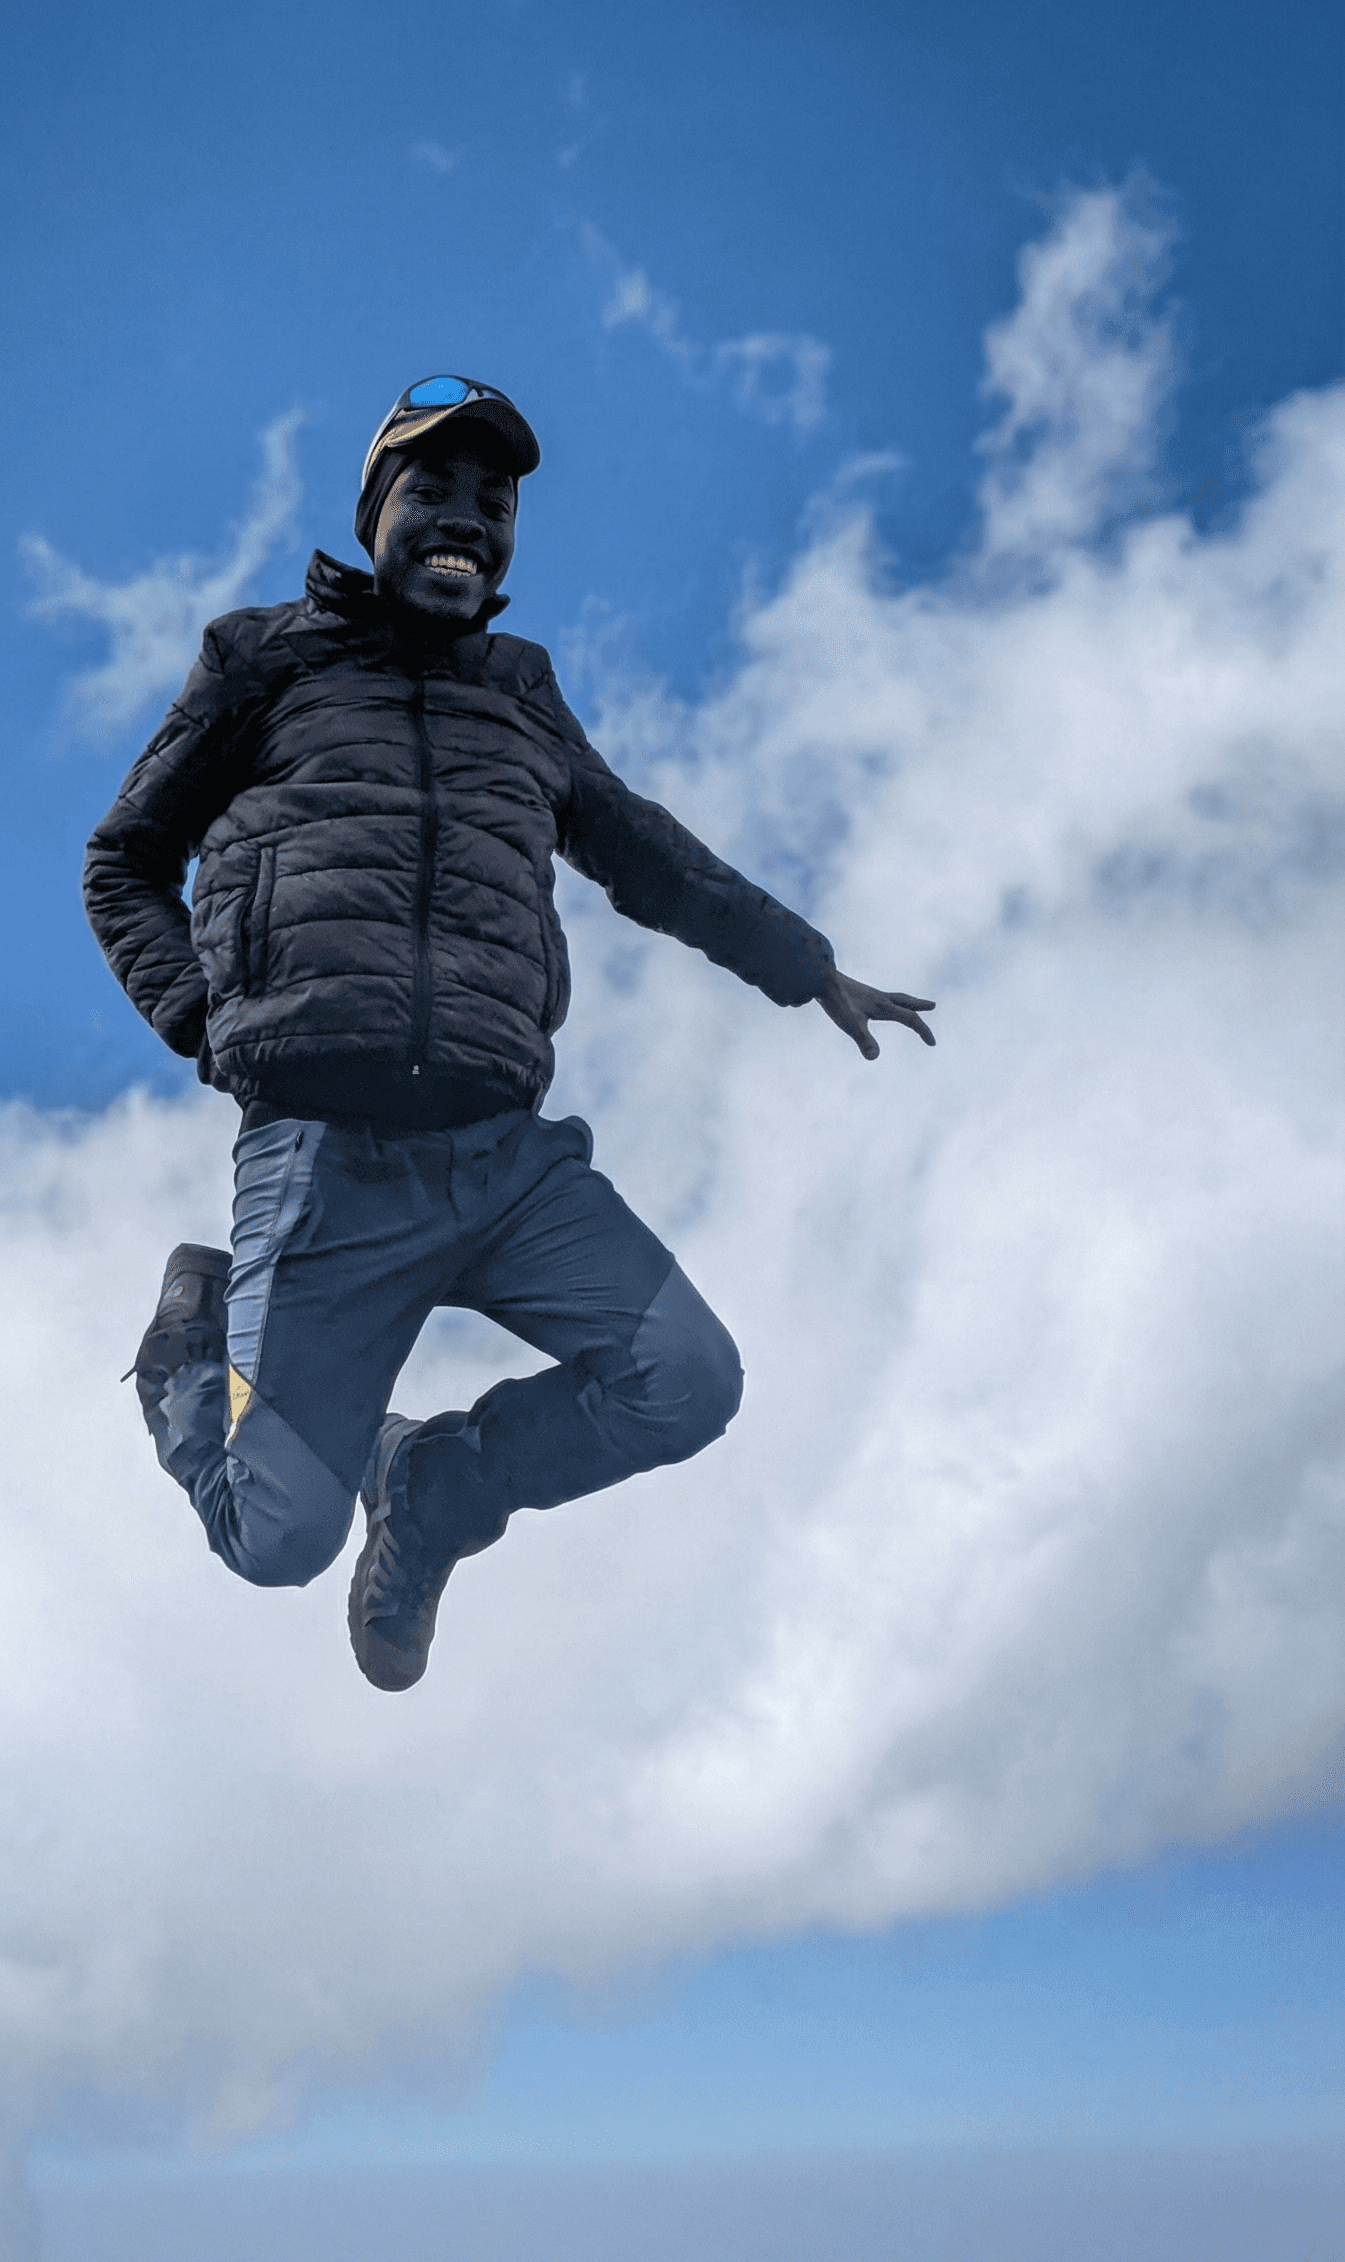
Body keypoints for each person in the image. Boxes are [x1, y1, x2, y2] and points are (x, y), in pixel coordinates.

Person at [84, 374, 935, 1691]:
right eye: (432, 492)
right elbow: (123, 859)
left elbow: (644, 853)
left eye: (494, 503)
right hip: (327, 1158)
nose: (465, 521)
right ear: (375, 512)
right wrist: (203, 1020)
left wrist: (807, 966)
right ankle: (194, 1340)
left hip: (502, 1158)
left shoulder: (520, 694)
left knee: (687, 1381)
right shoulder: (264, 660)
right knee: (275, 1540)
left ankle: (434, 1487)